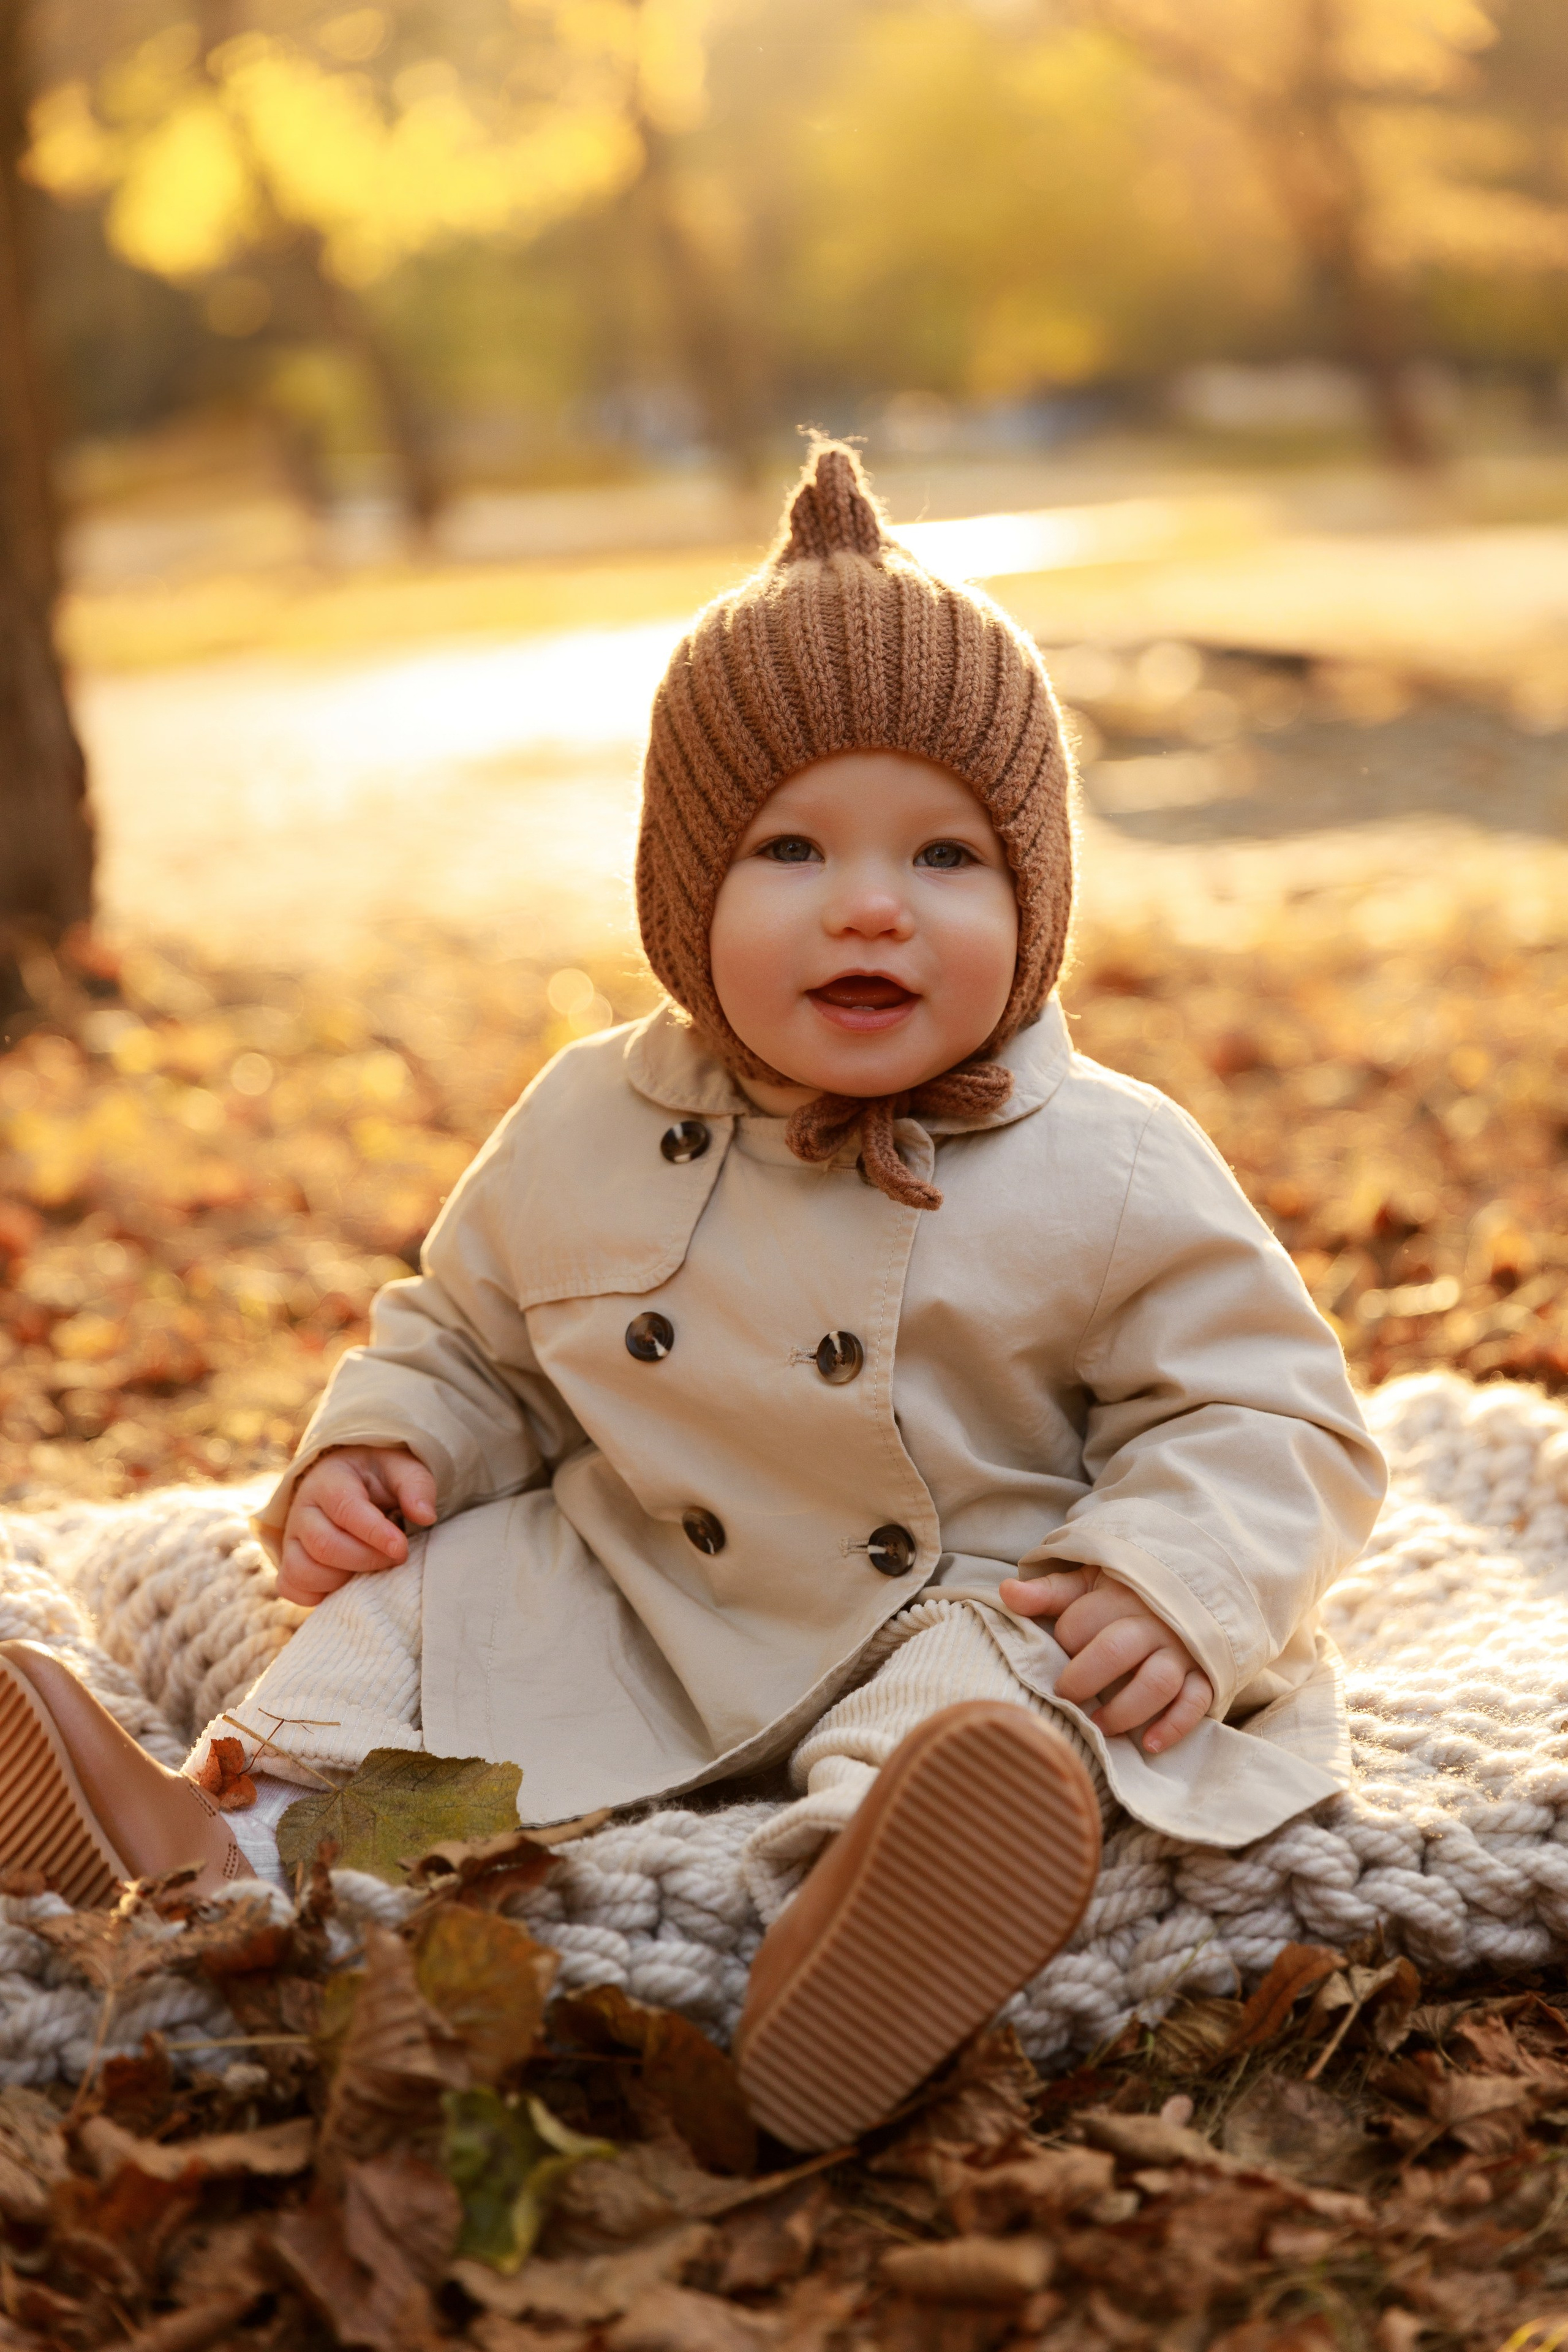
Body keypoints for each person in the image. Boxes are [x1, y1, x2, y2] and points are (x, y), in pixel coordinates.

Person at [0, 443, 1385, 2150]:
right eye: (792, 847)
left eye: (947, 857)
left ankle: (862, 1929)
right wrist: (386, 1451)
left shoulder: (1107, 1159)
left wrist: (1168, 1581)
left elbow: (1273, 1411)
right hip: (642, 1579)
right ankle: (217, 1827)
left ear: (1036, 897)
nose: (871, 903)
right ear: (681, 890)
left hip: (965, 1583)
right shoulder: (592, 1114)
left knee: (999, 1709)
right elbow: (469, 1332)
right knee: (424, 1614)